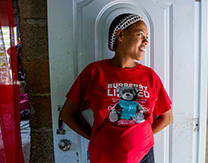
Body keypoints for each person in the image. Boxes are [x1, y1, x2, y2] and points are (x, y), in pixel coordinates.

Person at [60, 13, 173, 163]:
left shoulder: (150, 76)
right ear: (120, 36)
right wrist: (94, 137)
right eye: (140, 34)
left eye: (147, 37)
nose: (146, 41)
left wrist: (143, 137)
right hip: (105, 155)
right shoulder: (94, 72)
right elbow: (67, 114)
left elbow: (167, 117)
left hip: (144, 156)